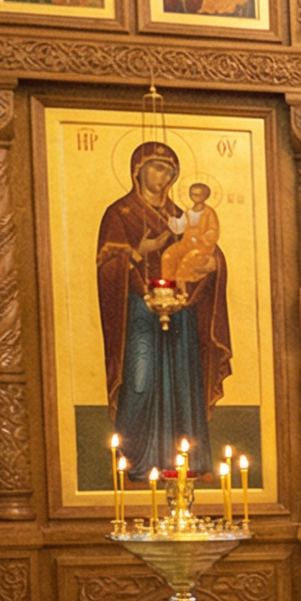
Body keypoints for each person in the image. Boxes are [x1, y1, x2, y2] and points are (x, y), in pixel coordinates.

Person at [97, 140, 229, 467]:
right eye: (157, 168)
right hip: (139, 310)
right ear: (137, 170)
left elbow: (203, 248)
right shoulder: (120, 213)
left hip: (180, 309)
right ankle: (137, 462)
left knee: (184, 381)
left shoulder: (180, 216)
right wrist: (139, 251)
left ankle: (190, 463)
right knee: (140, 379)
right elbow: (107, 265)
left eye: (169, 172)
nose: (163, 177)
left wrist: (214, 265)